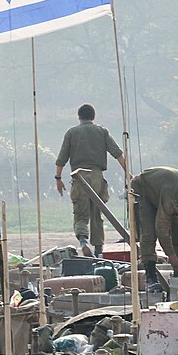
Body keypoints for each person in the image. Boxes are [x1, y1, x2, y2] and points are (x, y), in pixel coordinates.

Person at [55, 103, 127, 257]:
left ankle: (83, 241)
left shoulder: (71, 133)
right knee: (97, 215)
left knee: (80, 214)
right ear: (93, 116)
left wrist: (58, 178)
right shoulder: (102, 131)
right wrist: (128, 174)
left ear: (79, 116)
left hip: (79, 176)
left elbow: (61, 159)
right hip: (97, 177)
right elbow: (118, 154)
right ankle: (99, 250)